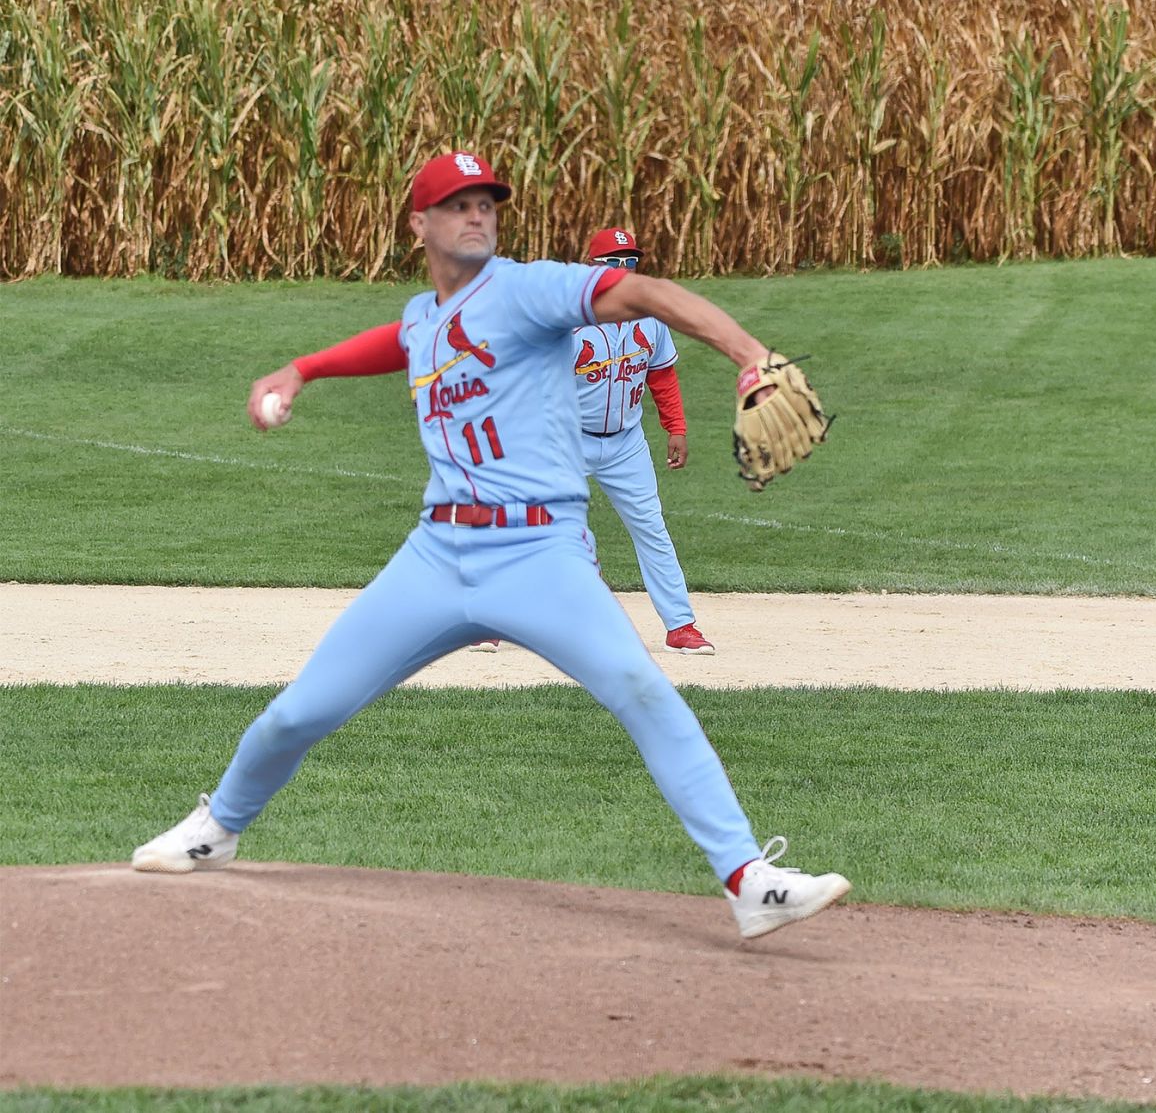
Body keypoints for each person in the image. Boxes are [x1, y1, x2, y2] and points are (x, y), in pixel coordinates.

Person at [131, 151, 849, 940]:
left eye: (486, 202)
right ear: (421, 223)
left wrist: (747, 354)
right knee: (300, 712)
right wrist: (303, 368)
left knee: (642, 692)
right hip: (436, 558)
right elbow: (402, 341)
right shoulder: (424, 315)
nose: (477, 214)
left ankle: (749, 880)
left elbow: (643, 293)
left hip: (541, 556)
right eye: (456, 203)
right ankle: (218, 827)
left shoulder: (529, 289)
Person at [471, 227, 714, 656]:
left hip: (627, 442)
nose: (624, 271)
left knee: (651, 527)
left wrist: (676, 427)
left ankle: (681, 625)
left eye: (630, 262)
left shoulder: (651, 315)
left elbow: (661, 374)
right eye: (613, 263)